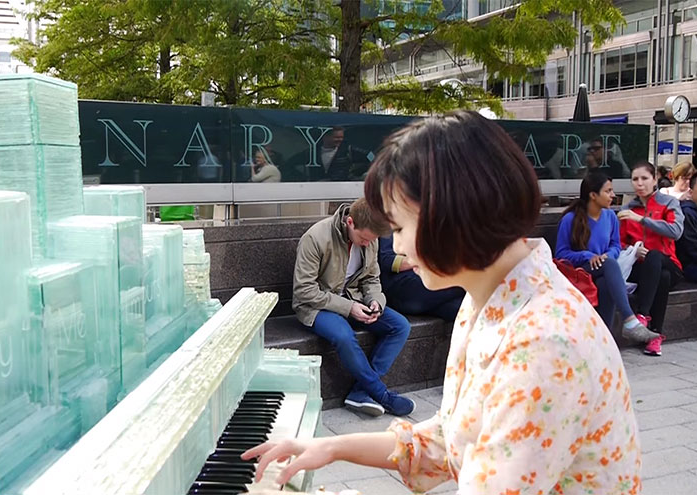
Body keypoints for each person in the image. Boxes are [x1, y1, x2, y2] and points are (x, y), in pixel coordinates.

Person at [246, 111, 641, 495]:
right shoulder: (486, 298)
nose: (396, 246)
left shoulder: (545, 344)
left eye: (399, 227)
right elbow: (449, 439)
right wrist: (330, 447)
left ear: (452, 213)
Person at [291, 197, 414, 417]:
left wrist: (375, 301)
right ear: (350, 222)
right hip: (315, 306)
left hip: (353, 299)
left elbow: (371, 279)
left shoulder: (370, 239)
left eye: (371, 240)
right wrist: (349, 308)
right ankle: (380, 394)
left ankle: (359, 392)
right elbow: (304, 291)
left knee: (400, 326)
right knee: (344, 336)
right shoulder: (315, 237)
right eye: (364, 238)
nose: (367, 243)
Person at [555, 171, 658, 342]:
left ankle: (605, 341)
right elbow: (561, 254)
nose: (613, 195)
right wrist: (588, 256)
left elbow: (615, 245)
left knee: (605, 282)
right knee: (609, 265)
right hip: (579, 271)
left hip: (603, 270)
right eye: (608, 191)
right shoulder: (570, 219)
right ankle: (630, 321)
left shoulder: (610, 216)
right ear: (593, 195)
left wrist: (606, 256)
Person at [618, 161, 684, 356]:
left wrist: (643, 220)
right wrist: (633, 250)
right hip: (641, 268)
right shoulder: (629, 209)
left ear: (655, 179)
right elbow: (619, 242)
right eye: (635, 179)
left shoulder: (669, 203)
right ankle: (654, 336)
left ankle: (643, 315)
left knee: (656, 258)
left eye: (645, 178)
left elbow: (676, 231)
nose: (640, 183)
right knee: (660, 276)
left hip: (670, 263)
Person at [378, 234, 464, 321]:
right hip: (402, 286)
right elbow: (387, 260)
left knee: (461, 308)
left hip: (432, 291)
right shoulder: (390, 222)